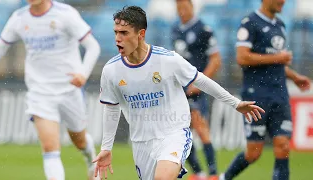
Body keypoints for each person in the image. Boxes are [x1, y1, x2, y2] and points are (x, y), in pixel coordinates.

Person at [92, 6, 265, 180]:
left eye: (124, 33)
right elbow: (111, 107)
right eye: (115, 32)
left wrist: (235, 103)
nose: (117, 39)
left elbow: (202, 80)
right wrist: (106, 148)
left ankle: (209, 172)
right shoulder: (111, 70)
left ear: (141, 34)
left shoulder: (168, 60)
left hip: (173, 133)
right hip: (141, 141)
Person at [0, 0, 101, 180]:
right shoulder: (19, 18)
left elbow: (93, 46)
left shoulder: (65, 14)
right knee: (50, 148)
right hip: (39, 93)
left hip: (69, 90)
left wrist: (83, 73)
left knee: (79, 140)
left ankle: (90, 158)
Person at [219, 0, 311, 180]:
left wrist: (295, 77)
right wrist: (278, 57)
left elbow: (277, 64)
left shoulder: (280, 25)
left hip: (280, 94)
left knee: (283, 146)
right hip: (257, 95)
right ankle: (224, 178)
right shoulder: (250, 22)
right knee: (254, 153)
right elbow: (242, 57)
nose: (283, 2)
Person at [171, 0, 221, 179]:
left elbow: (216, 60)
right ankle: (199, 173)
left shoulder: (204, 30)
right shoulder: (175, 29)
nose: (181, 11)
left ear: (192, 7)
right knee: (182, 131)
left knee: (200, 127)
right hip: (180, 90)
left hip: (195, 89)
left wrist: (200, 83)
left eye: (184, 7)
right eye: (178, 8)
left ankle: (213, 173)